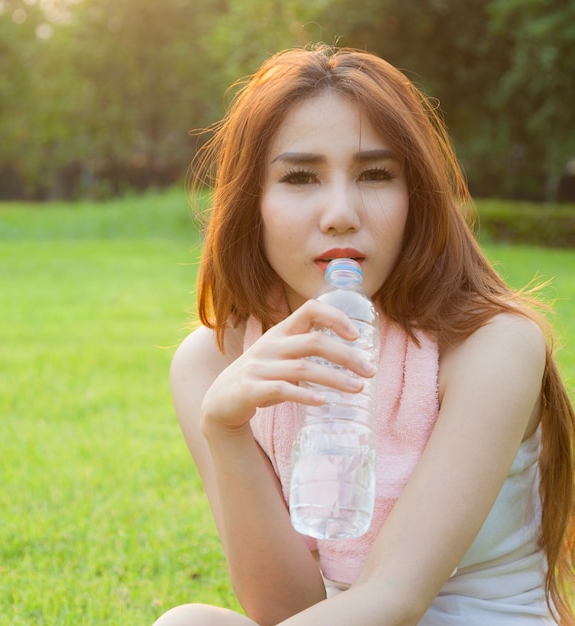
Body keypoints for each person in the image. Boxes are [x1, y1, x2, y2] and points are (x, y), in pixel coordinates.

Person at [156, 46, 575, 625]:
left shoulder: (493, 344)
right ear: (253, 201)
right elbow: (283, 609)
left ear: (416, 197)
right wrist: (224, 428)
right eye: (300, 177)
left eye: (375, 174)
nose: (340, 213)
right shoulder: (211, 363)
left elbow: (394, 601)